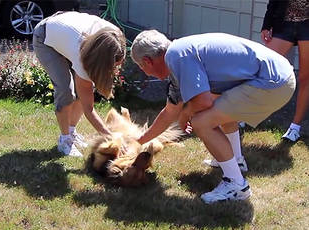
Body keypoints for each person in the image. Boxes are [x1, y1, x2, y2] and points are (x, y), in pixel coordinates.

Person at [130, 30, 296, 204]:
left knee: (201, 122)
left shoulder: (177, 56)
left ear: (147, 61)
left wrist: (186, 114)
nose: (145, 73)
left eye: (142, 67)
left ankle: (236, 185)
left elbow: (203, 102)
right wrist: (138, 141)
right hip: (280, 77)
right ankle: (236, 161)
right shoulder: (178, 53)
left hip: (273, 82)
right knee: (222, 110)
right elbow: (170, 111)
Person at [33, 11, 126, 156]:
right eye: (113, 65)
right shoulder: (82, 54)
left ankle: (71, 131)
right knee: (66, 90)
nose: (115, 69)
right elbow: (88, 107)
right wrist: (110, 137)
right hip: (45, 37)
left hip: (65, 32)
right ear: (100, 58)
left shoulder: (116, 36)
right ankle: (65, 141)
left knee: (86, 88)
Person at [261, 0, 309, 142]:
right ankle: (245, 114)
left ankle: (295, 128)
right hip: (284, 24)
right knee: (263, 69)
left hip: (307, 27)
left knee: (305, 78)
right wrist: (266, 25)